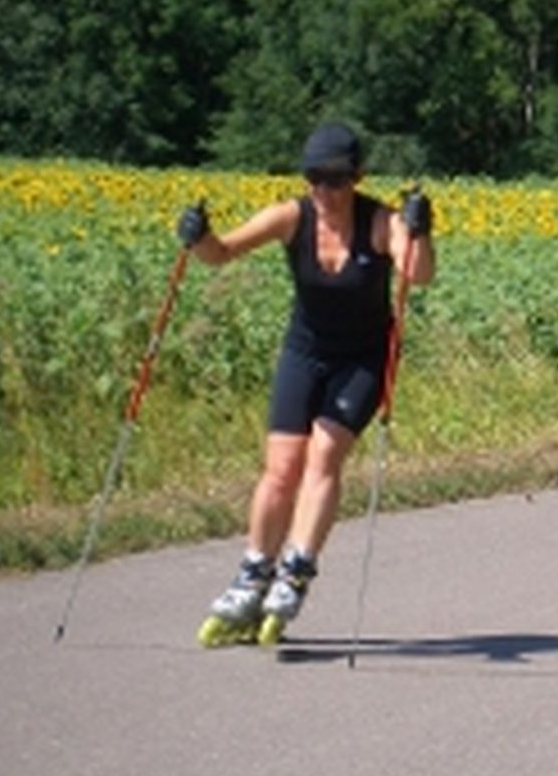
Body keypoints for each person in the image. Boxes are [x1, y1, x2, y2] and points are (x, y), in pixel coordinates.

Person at [181, 122, 435, 646]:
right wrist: (197, 235)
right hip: (306, 352)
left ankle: (296, 569)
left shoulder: (380, 222)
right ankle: (253, 573)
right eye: (314, 178)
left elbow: (419, 273)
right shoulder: (290, 217)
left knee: (323, 455)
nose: (324, 190)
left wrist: (422, 230)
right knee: (279, 469)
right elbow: (221, 253)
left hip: (365, 357)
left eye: (336, 180)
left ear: (357, 177)